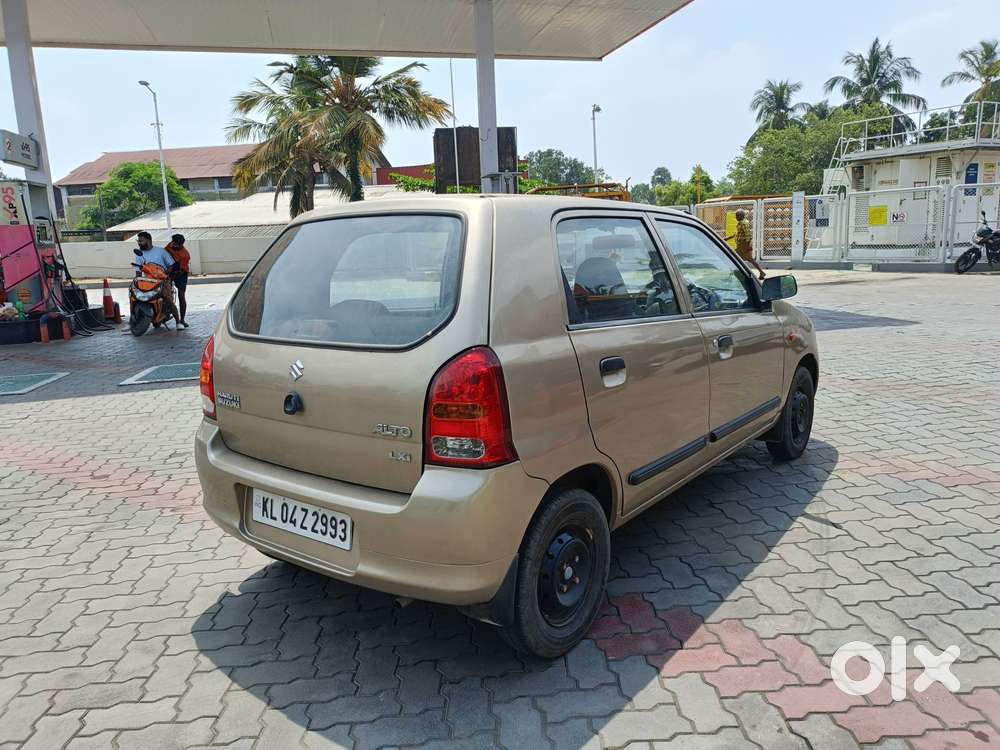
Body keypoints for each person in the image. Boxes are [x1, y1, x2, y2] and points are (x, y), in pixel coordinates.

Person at [132, 231, 181, 326]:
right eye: (138, 241)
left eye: (141, 241)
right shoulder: (139, 254)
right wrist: (136, 283)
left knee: (168, 299)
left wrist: (164, 274)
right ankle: (134, 321)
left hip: (162, 281)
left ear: (149, 241)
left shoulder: (161, 251)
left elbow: (171, 265)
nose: (139, 243)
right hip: (147, 283)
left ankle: (178, 322)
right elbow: (138, 272)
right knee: (135, 297)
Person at [725, 210, 766, 281]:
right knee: (749, 259)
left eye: (737, 216)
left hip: (743, 245)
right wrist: (728, 238)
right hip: (742, 245)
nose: (736, 217)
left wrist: (748, 246)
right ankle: (761, 272)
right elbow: (737, 234)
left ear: (741, 216)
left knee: (734, 258)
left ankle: (731, 277)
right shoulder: (741, 223)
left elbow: (748, 235)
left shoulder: (744, 223)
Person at [166, 233, 191, 328]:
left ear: (181, 245)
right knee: (165, 292)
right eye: (173, 242)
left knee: (181, 295)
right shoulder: (169, 245)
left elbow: (181, 270)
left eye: (176, 244)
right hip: (169, 269)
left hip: (181, 273)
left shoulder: (185, 255)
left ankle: (182, 320)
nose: (173, 245)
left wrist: (172, 277)